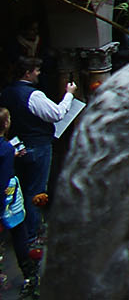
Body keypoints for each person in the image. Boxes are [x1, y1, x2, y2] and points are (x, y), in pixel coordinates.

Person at [1, 58, 74, 264]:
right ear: (27, 73)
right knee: (36, 191)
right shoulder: (33, 95)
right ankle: (32, 235)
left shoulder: (6, 92)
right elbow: (57, 113)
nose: (38, 74)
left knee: (24, 189)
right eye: (36, 70)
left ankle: (28, 228)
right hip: (38, 145)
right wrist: (68, 95)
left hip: (19, 147)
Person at [1, 108, 35, 288]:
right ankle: (29, 274)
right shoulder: (6, 148)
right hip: (7, 195)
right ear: (6, 124)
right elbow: (4, 177)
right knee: (18, 231)